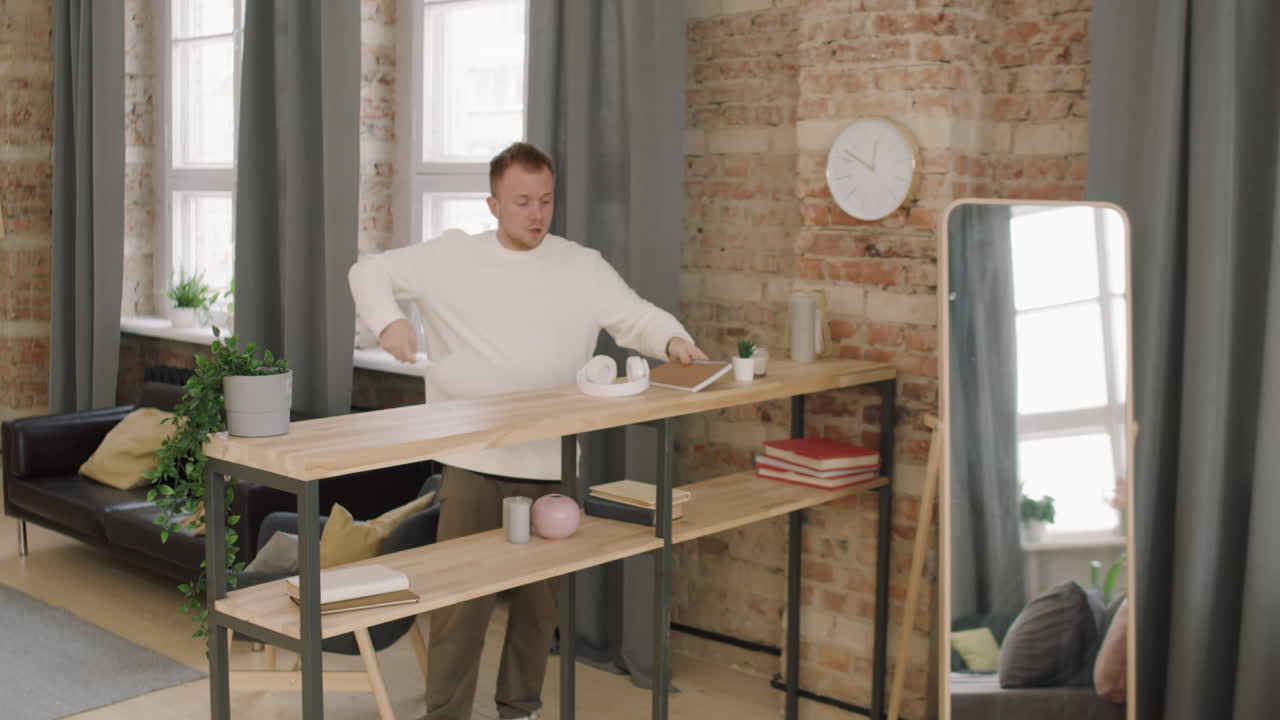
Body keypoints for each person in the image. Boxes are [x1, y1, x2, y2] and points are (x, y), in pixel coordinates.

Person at [348, 141, 707, 720]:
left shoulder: (580, 266)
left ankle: (520, 709)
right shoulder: (450, 257)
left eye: (545, 201)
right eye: (521, 202)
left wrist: (672, 340)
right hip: (472, 462)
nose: (536, 214)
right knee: (461, 605)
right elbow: (367, 270)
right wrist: (389, 322)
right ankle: (445, 714)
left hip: (554, 465)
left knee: (540, 609)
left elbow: (634, 315)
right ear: (492, 204)